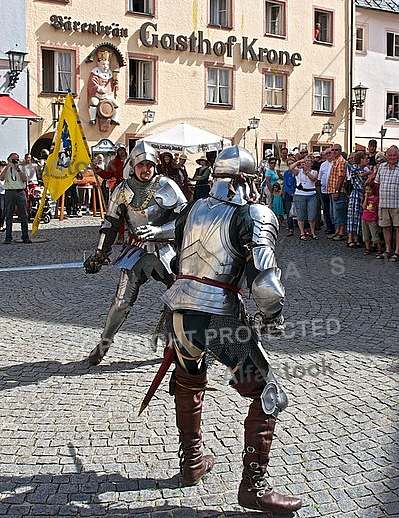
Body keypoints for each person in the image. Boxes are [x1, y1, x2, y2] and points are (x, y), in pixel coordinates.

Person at [161, 145, 301, 515]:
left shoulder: (191, 209)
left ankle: (192, 461)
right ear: (246, 181)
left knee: (189, 381)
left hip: (178, 313)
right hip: (218, 320)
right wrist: (272, 318)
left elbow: (178, 258)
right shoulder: (253, 214)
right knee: (267, 390)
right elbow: (266, 284)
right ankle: (254, 486)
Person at [84, 140, 187, 365]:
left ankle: (173, 344)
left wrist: (159, 230)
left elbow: (186, 218)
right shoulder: (122, 190)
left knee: (179, 299)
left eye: (150, 165)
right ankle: (103, 345)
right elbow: (110, 223)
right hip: (136, 251)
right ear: (133, 165)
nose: (146, 169)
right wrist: (100, 252)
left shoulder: (166, 185)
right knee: (120, 302)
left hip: (166, 251)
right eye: (141, 165)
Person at [374, 145, 399, 261]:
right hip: (384, 203)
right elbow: (377, 183)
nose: (392, 157)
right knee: (386, 227)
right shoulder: (382, 167)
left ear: (398, 156)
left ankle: (397, 251)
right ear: (386, 156)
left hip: (397, 203)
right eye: (390, 155)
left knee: (398, 228)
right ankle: (388, 250)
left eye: (394, 155)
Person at [0, 152, 31, 244]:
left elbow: (24, 179)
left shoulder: (21, 167)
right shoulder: (7, 168)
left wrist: (18, 168)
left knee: (24, 216)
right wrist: (8, 165)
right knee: (9, 215)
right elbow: (1, 178)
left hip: (20, 192)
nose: (15, 161)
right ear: (9, 159)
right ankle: (8, 237)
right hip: (9, 192)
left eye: (17, 159)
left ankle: (25, 236)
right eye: (13, 159)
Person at [290, 155, 318, 240]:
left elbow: (313, 179)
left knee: (312, 215)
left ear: (312, 163)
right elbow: (290, 169)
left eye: (309, 161)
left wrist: (307, 172)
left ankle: (312, 232)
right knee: (301, 214)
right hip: (300, 194)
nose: (307, 162)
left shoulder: (314, 171)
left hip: (311, 194)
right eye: (306, 161)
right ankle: (302, 232)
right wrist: (297, 162)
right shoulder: (298, 171)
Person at [87, 50, 119, 125]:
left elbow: (111, 85)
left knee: (115, 104)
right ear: (98, 64)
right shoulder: (95, 72)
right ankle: (92, 119)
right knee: (93, 102)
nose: (106, 67)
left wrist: (115, 82)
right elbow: (91, 83)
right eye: (103, 64)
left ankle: (114, 119)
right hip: (97, 95)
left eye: (107, 65)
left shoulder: (110, 74)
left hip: (107, 95)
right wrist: (98, 88)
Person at [346, 151, 370, 247]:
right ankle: (350, 238)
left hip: (361, 195)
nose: (367, 160)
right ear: (361, 159)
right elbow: (360, 177)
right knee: (352, 216)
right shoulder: (355, 168)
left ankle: (356, 238)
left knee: (358, 217)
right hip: (356, 194)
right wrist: (369, 173)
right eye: (365, 158)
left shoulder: (363, 169)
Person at [326, 143, 347, 241]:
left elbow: (341, 177)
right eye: (332, 150)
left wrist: (337, 191)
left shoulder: (341, 161)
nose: (334, 152)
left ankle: (341, 232)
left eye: (336, 150)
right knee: (334, 212)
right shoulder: (335, 161)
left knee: (339, 211)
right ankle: (337, 231)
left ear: (340, 151)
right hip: (331, 190)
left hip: (338, 191)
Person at [361, 181, 382, 256]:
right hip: (364, 218)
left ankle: (379, 248)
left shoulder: (376, 198)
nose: (368, 191)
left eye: (369, 190)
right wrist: (366, 197)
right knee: (365, 234)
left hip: (373, 219)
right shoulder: (364, 198)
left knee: (375, 234)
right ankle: (367, 248)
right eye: (366, 190)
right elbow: (363, 207)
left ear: (373, 190)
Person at [317, 148, 334, 235]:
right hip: (324, 190)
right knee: (326, 209)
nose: (328, 155)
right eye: (326, 153)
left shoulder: (336, 163)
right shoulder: (323, 164)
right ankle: (329, 227)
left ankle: (335, 227)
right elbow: (319, 177)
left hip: (333, 190)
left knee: (333, 210)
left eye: (329, 153)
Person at [283, 159, 296, 236]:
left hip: (298, 193)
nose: (291, 164)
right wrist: (290, 193)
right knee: (289, 212)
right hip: (289, 194)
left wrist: (295, 192)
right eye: (289, 163)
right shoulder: (286, 173)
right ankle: (290, 229)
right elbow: (285, 184)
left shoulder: (298, 172)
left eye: (292, 163)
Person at [0, 160, 6, 232]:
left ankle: (2, 224)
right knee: (1, 209)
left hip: (5, 193)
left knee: (5, 210)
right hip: (0, 193)